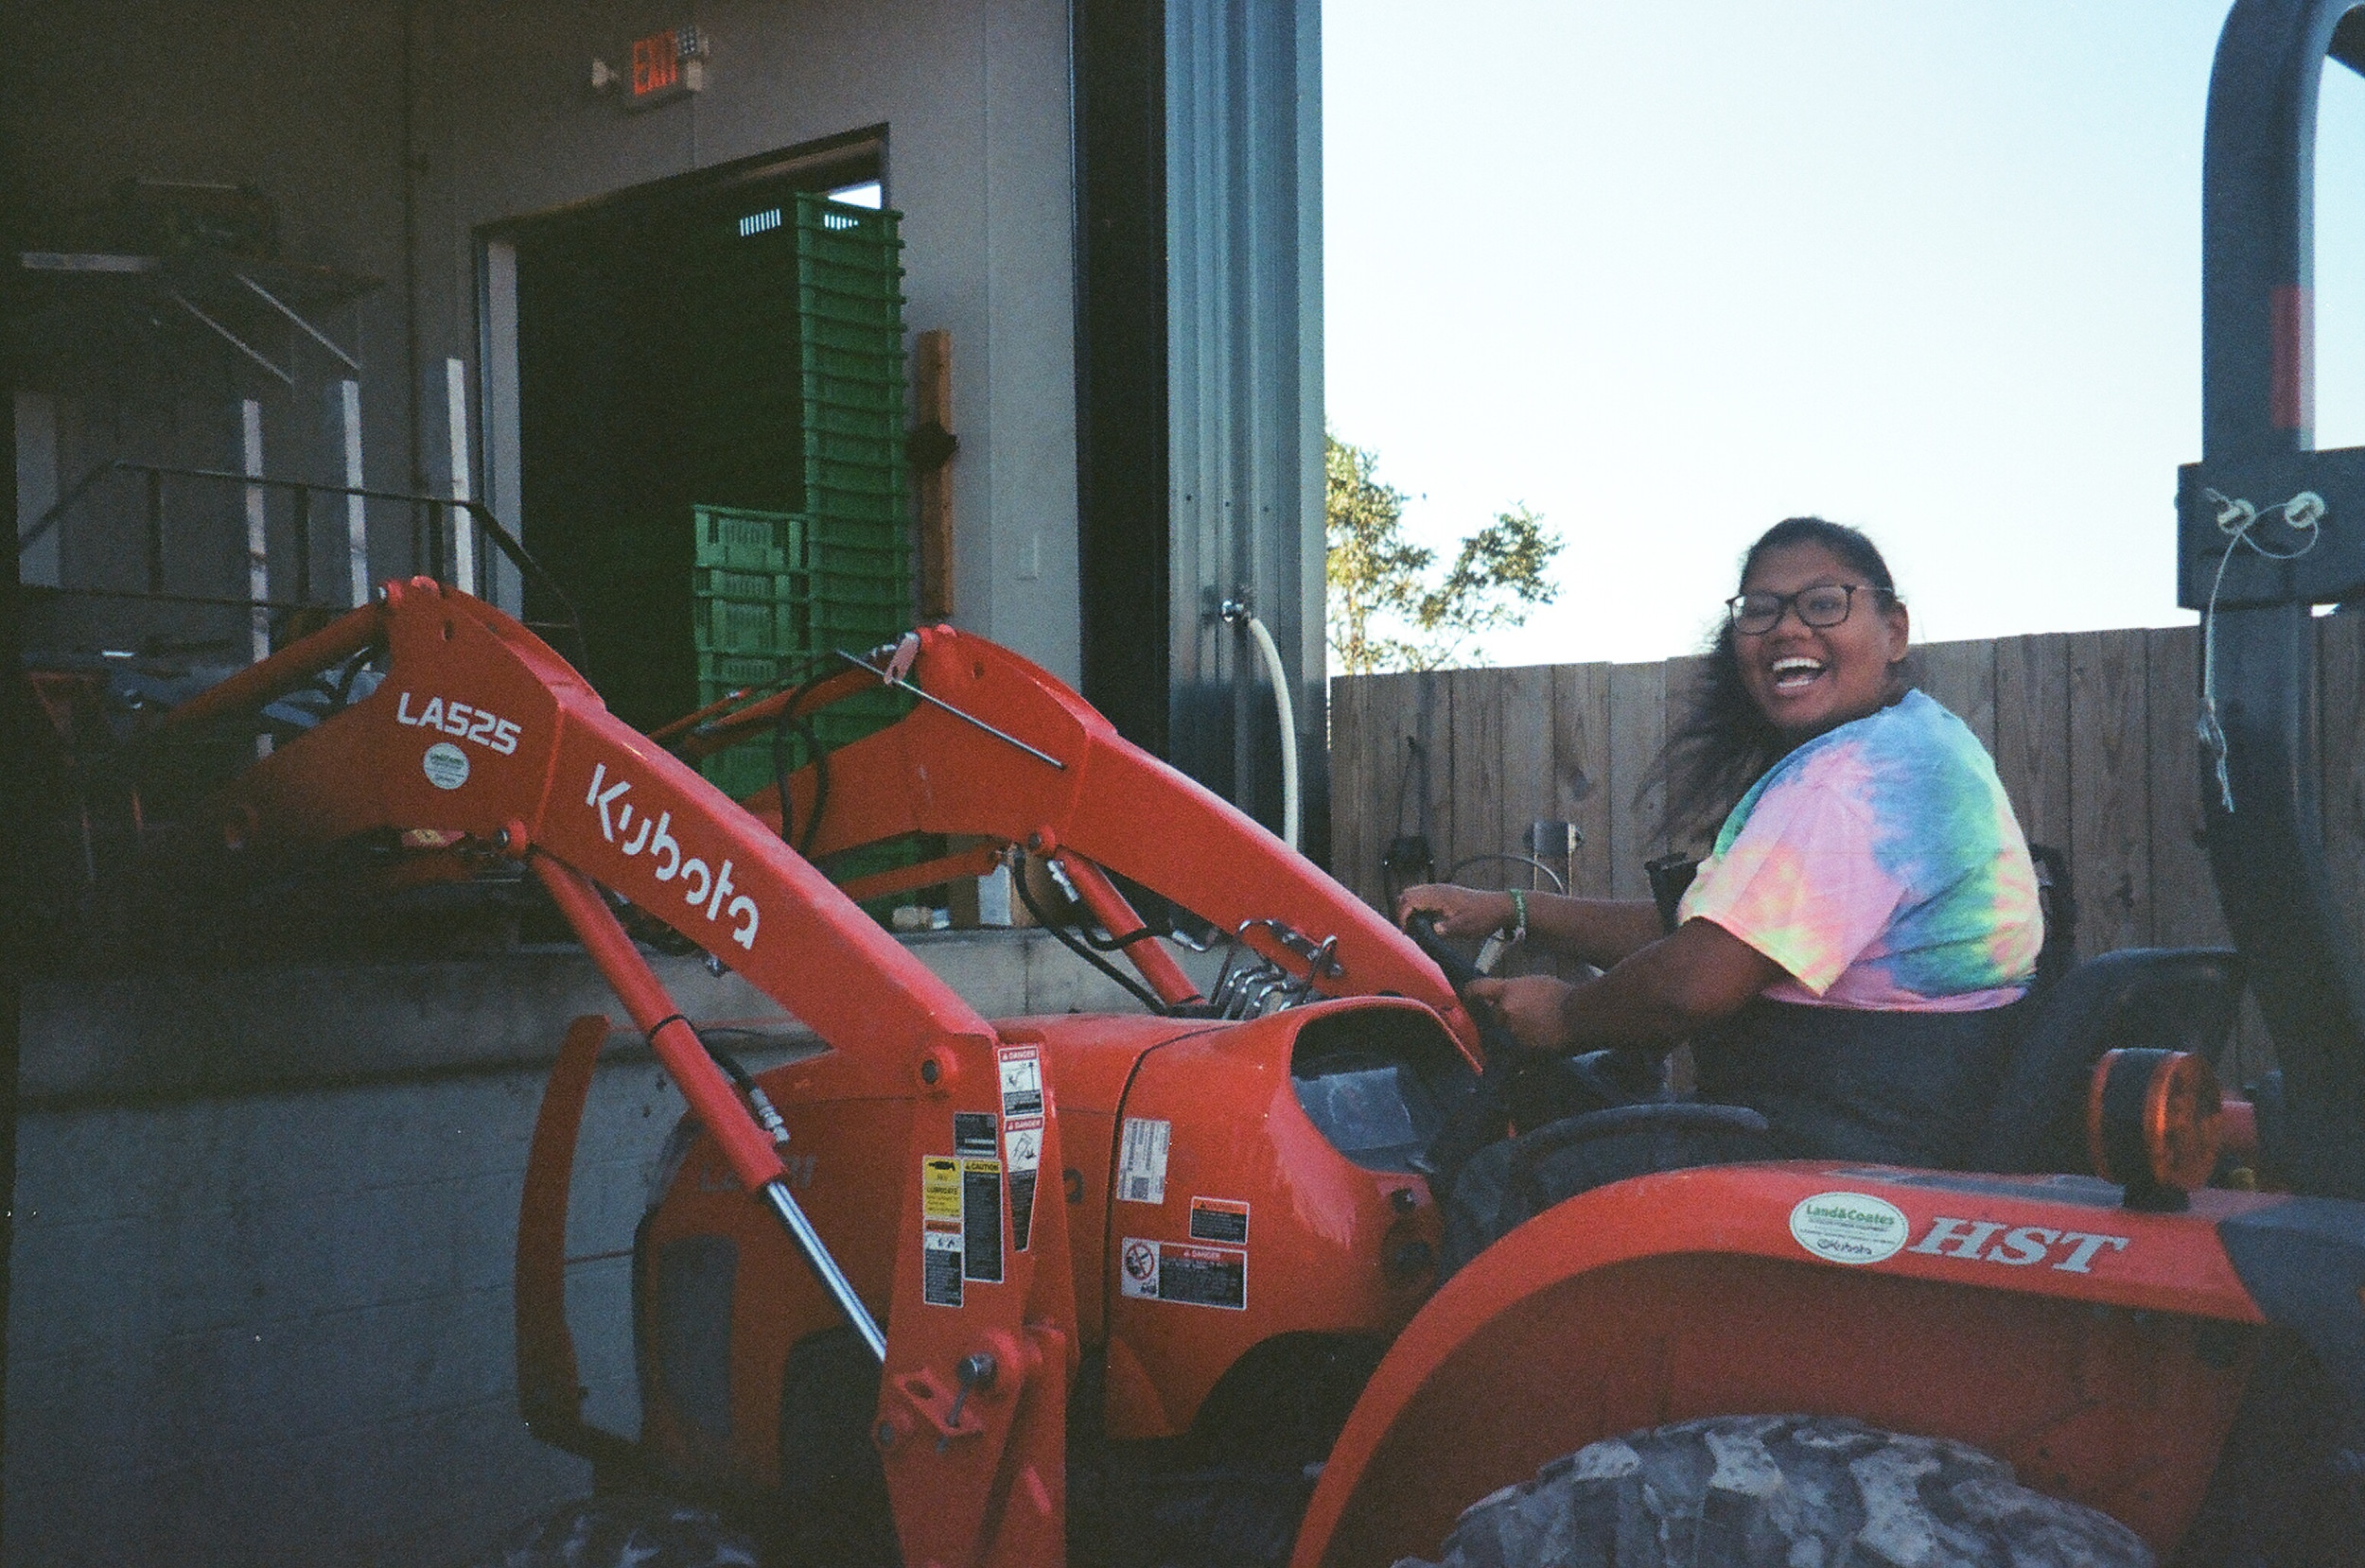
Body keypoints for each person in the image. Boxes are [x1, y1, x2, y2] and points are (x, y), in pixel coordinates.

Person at [1397, 516, 2042, 1176]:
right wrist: (1512, 909)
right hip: (1885, 1137)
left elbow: (1693, 981)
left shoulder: (1852, 783)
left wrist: (1563, 1015)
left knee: (1495, 1186)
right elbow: (1713, 933)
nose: (1788, 629)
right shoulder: (1918, 743)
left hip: (1836, 1159)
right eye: (1760, 611)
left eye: (1824, 603)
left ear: (1894, 630)